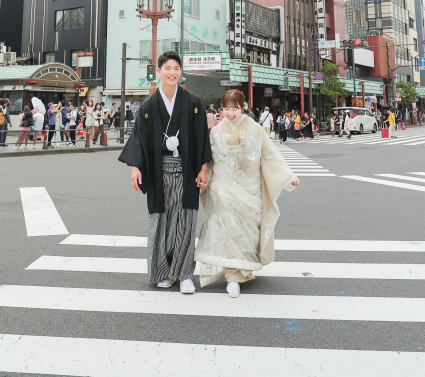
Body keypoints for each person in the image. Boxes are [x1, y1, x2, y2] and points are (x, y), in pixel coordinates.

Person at [119, 51, 212, 295]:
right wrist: (135, 168)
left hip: (187, 170)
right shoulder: (149, 105)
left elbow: (202, 137)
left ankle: (185, 274)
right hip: (159, 172)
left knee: (186, 222)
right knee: (161, 222)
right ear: (158, 71)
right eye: (167, 68)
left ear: (181, 72)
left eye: (176, 68)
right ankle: (162, 272)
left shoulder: (192, 102)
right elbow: (138, 138)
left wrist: (203, 168)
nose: (172, 72)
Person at [195, 89, 299, 297]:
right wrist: (204, 173)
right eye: (226, 108)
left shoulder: (255, 128)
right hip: (223, 187)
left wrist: (288, 175)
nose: (231, 113)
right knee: (227, 229)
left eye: (235, 108)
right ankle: (233, 275)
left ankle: (243, 269)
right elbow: (208, 158)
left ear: (243, 108)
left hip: (249, 188)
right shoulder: (215, 131)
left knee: (247, 230)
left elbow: (270, 155)